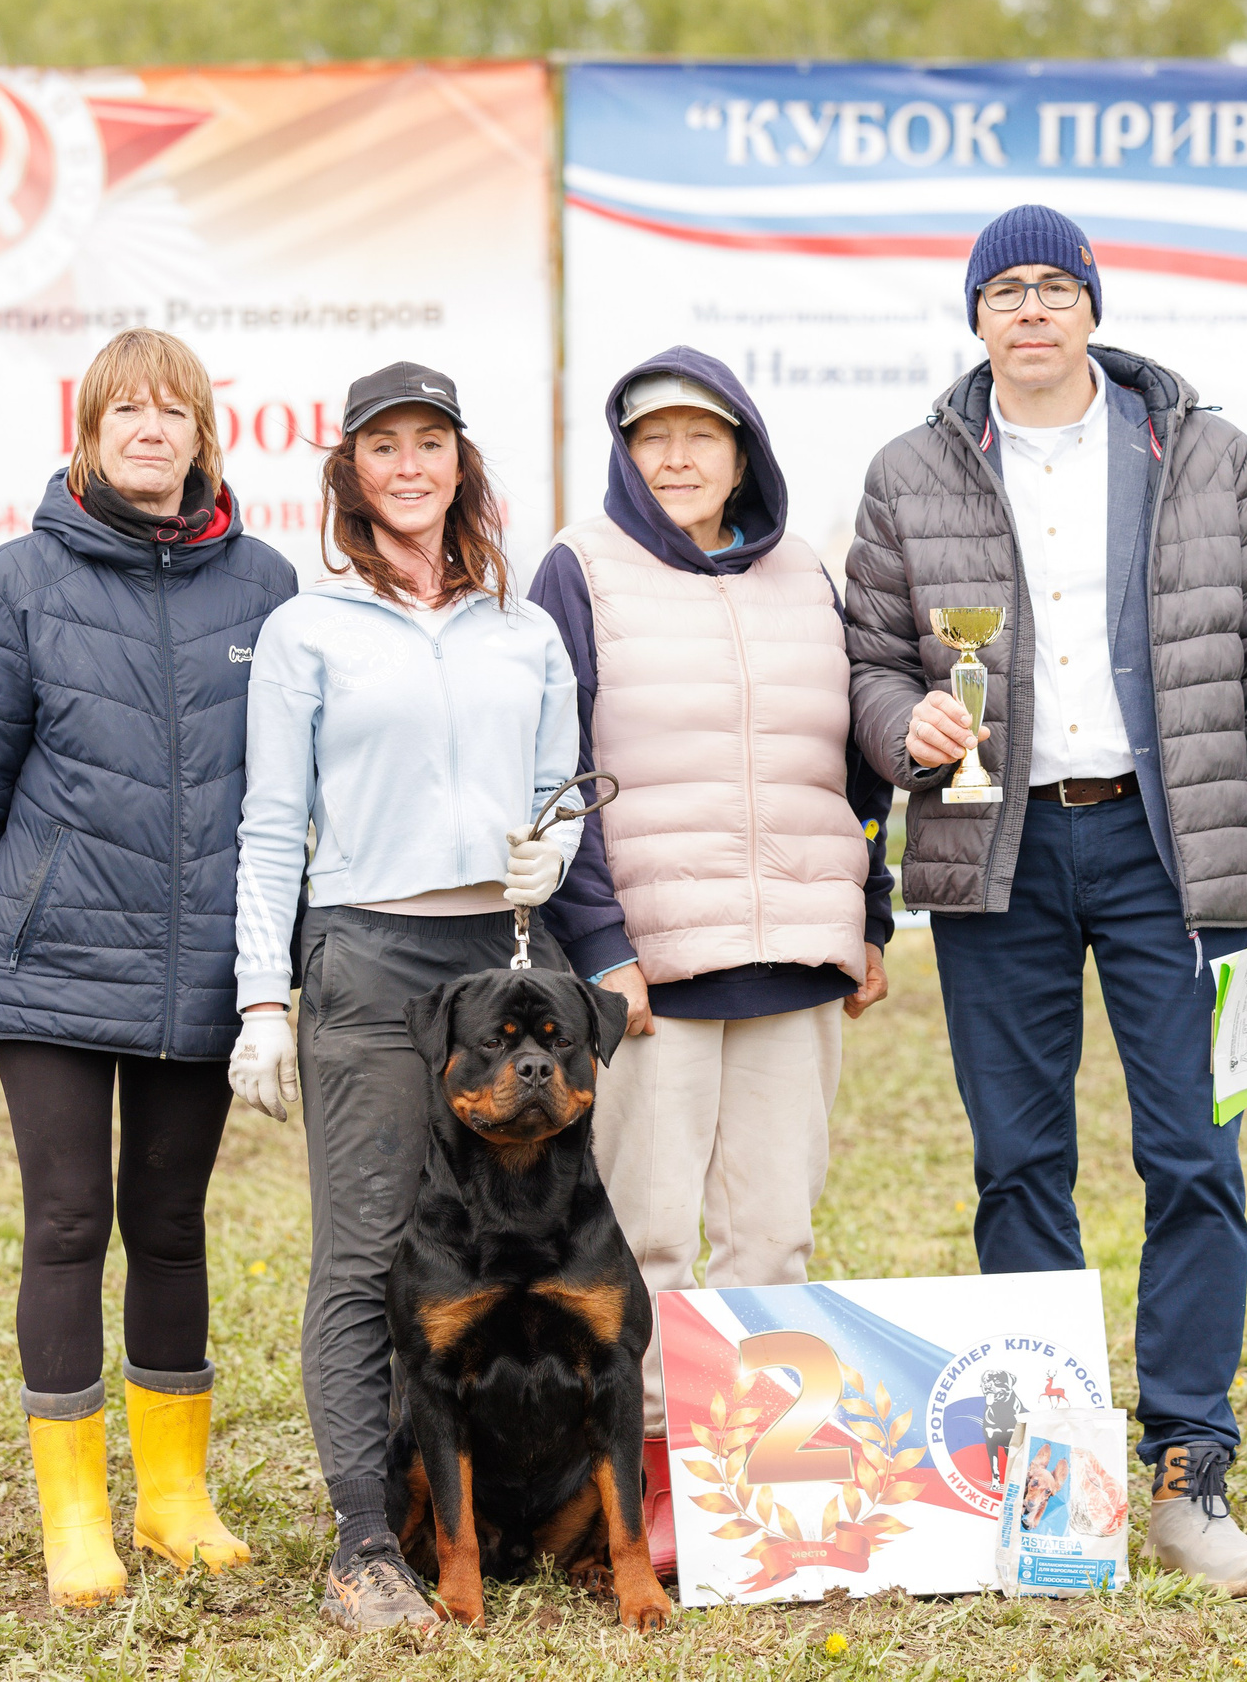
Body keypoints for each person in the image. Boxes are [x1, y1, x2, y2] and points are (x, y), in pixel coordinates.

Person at [842, 205, 1247, 1600]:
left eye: (1054, 286)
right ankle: (1051, 1477)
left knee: (1193, 1159)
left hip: (1172, 852)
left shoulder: (1204, 455)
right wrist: (901, 725)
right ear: (975, 315)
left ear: (1092, 306)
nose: (1031, 310)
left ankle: (1189, 1471)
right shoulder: (909, 471)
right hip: (990, 851)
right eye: (1004, 289)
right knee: (1018, 1163)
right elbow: (868, 662)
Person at [0, 328, 296, 1609]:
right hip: (51, 961)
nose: (149, 428)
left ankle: (174, 1499)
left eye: (172, 409)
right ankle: (75, 1517)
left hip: (202, 963)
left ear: (202, 435)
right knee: (68, 1221)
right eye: (125, 409)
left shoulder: (269, 584)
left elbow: (292, 790)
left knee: (171, 1224)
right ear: (89, 430)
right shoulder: (12, 583)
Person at [227, 361, 583, 1633]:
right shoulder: (307, 628)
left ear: (460, 463)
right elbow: (271, 825)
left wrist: (555, 856)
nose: (410, 465)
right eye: (384, 446)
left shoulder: (522, 628)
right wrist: (261, 1002)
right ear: (351, 473)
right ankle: (362, 1542)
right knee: (368, 1251)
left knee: (494, 1245)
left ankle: (463, 1509)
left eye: (431, 442)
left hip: (503, 964)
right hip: (368, 957)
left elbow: (560, 792)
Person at [527, 348, 894, 1577]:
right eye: (652, 438)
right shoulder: (579, 568)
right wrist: (602, 947)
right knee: (646, 1241)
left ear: (745, 452)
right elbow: (556, 770)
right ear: (624, 454)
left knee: (772, 1238)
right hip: (653, 975)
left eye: (703, 435)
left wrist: (869, 917)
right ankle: (636, 1487)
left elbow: (847, 764)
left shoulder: (807, 572)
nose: (677, 458)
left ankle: (749, 1489)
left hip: (796, 961)